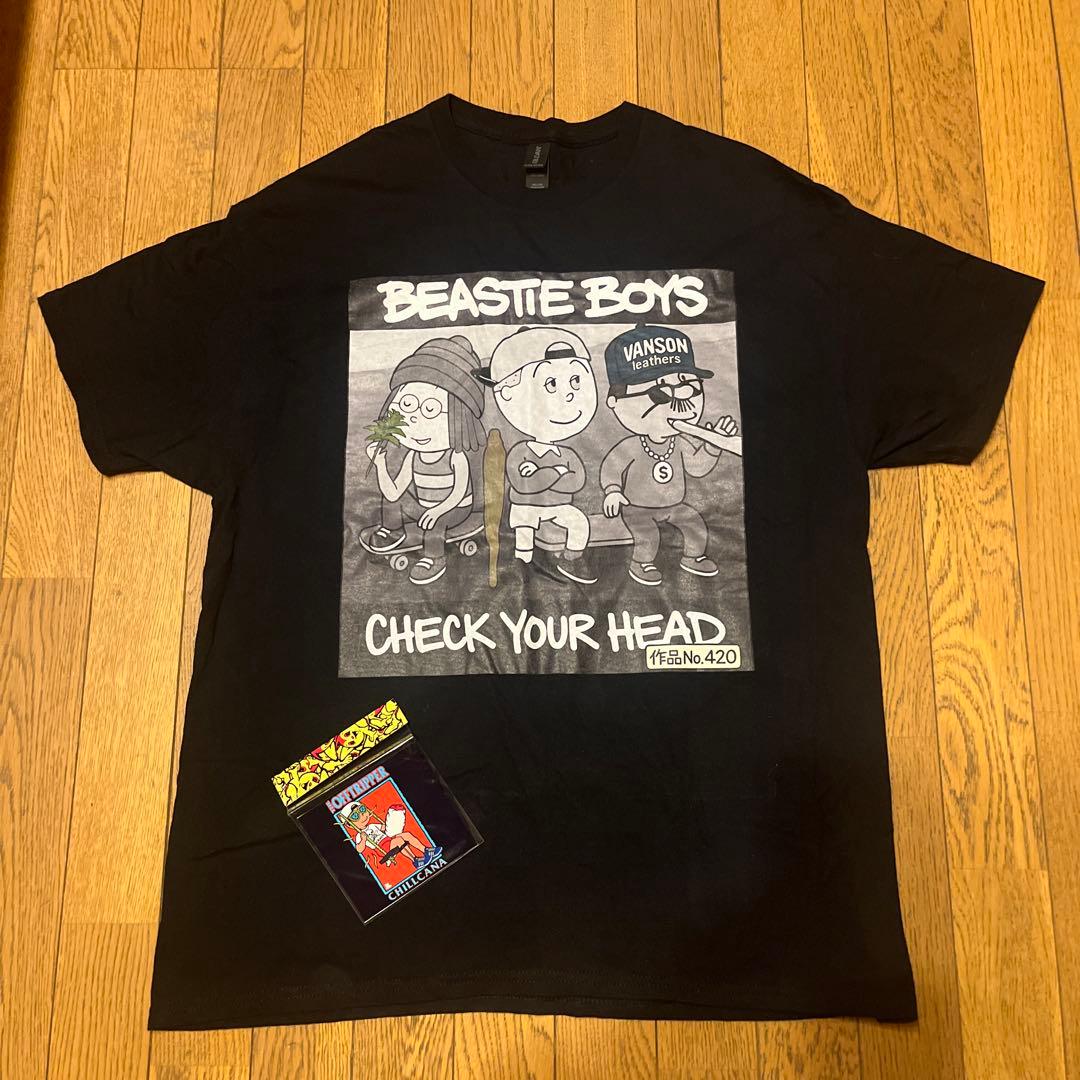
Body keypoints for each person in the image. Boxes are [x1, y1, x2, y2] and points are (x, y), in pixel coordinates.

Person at [599, 324, 742, 586]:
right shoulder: (631, 445)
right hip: (637, 508)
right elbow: (611, 468)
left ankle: (693, 557)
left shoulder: (680, 441)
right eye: (662, 393)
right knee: (648, 536)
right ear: (615, 402)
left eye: (689, 387)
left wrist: (714, 445)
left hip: (674, 505)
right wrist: (612, 491)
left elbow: (697, 467)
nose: (681, 401)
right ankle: (641, 563)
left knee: (695, 524)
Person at [475, 326, 598, 584]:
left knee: (579, 522)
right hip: (526, 507)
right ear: (507, 392)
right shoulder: (520, 451)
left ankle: (572, 558)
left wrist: (544, 475)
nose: (569, 395)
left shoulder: (566, 452)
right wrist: (557, 473)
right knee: (524, 530)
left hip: (561, 505)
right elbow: (523, 484)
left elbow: (576, 481)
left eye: (576, 381)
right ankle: (523, 563)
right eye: (551, 384)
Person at [361, 336, 485, 585]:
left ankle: (434, 558)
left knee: (435, 523)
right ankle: (392, 531)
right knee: (391, 501)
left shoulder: (455, 456)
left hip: (454, 509)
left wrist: (438, 510)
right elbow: (394, 492)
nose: (414, 419)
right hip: (426, 505)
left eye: (430, 409)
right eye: (407, 405)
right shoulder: (413, 456)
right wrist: (381, 465)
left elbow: (458, 494)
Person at [340, 801, 442, 871]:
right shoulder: (359, 835)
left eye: (362, 809)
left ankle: (426, 850)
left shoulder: (372, 825)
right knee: (398, 841)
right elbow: (359, 849)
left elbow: (384, 828)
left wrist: (391, 821)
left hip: (389, 839)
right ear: (350, 825)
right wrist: (363, 839)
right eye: (355, 816)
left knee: (406, 835)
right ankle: (415, 860)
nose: (362, 815)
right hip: (382, 848)